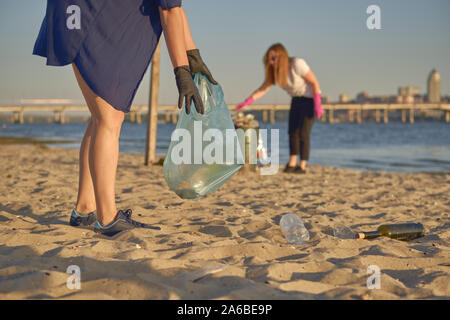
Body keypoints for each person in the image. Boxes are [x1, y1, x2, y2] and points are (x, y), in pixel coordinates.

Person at [33, 0, 217, 236]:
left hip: (80, 13)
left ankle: (85, 208)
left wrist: (192, 55)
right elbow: (169, 11)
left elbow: (175, 8)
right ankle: (107, 218)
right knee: (108, 120)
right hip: (83, 18)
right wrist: (181, 70)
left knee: (103, 116)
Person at [235, 43, 322, 174]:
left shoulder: (297, 64)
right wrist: (247, 101)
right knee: (292, 132)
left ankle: (302, 165)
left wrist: (318, 104)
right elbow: (263, 89)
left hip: (309, 99)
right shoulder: (275, 73)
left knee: (304, 133)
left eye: (273, 59)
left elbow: (314, 82)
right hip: (296, 99)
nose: (271, 62)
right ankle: (292, 163)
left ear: (282, 56)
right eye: (269, 60)